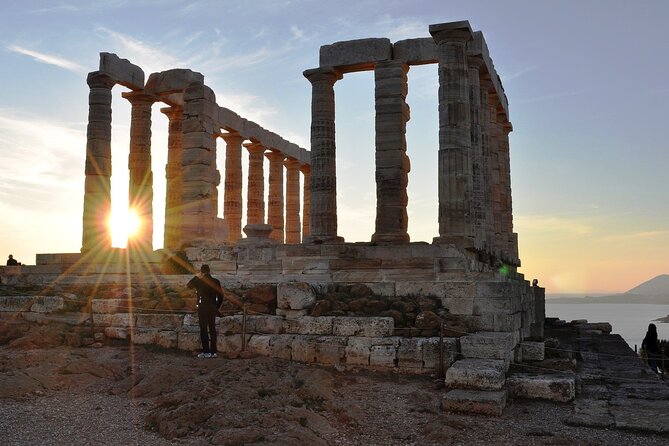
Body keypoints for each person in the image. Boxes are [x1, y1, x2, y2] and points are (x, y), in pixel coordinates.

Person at [187, 264, 223, 359]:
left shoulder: (199, 281)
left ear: (201, 272)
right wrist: (217, 306)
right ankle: (213, 352)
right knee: (212, 328)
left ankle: (206, 351)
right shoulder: (216, 281)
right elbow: (221, 296)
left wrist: (197, 276)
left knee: (203, 329)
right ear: (209, 271)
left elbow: (188, 285)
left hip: (202, 306)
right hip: (212, 307)